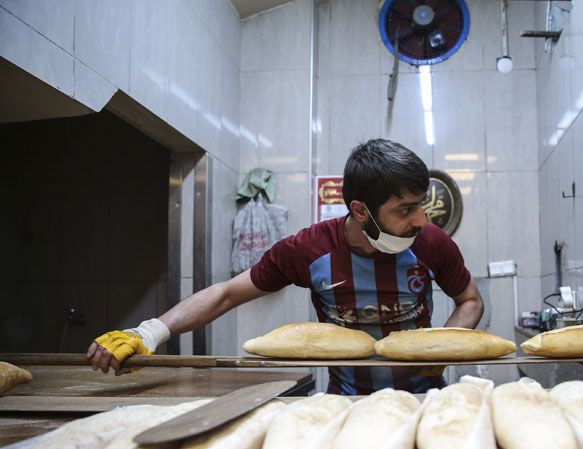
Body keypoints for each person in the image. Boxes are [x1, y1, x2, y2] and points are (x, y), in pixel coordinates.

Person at [86, 138, 484, 397]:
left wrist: (442, 348)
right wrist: (150, 331)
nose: (421, 220)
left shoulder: (431, 243)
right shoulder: (308, 249)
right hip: (345, 403)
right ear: (360, 211)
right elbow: (226, 293)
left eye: (419, 205)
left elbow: (469, 300)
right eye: (405, 209)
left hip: (427, 396)